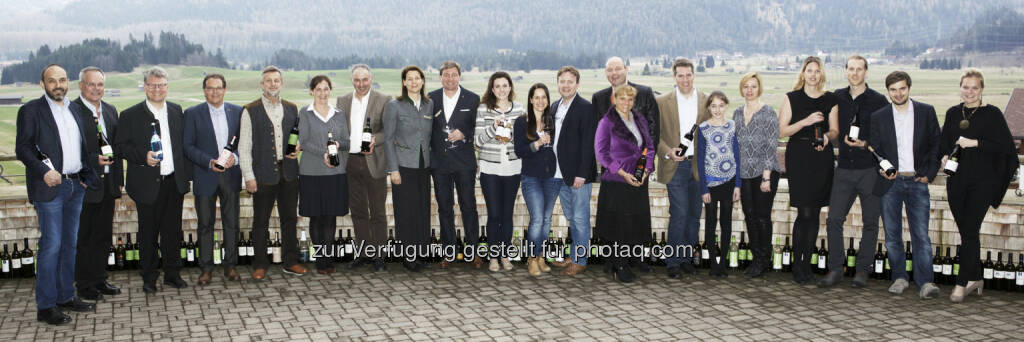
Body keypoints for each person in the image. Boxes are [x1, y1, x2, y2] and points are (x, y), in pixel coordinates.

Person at [16, 64, 100, 325]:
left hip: (75, 187)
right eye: (52, 81)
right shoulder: (31, 110)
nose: (58, 85)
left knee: (69, 245)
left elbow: (82, 147)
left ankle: (65, 296)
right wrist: (43, 171)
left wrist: (86, 177)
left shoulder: (74, 109)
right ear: (43, 84)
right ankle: (46, 305)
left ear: (68, 83)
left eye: (62, 80)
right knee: (51, 246)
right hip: (50, 187)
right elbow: (23, 148)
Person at [939, 68, 1017, 302]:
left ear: (982, 89)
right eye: (966, 87)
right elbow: (944, 143)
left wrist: (976, 143)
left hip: (982, 182)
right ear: (960, 88)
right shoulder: (953, 113)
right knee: (967, 231)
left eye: (974, 87)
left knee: (970, 230)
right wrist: (943, 157)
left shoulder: (992, 114)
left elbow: (1006, 149)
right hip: (957, 181)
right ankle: (976, 277)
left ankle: (961, 284)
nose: (970, 91)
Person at [114, 66, 193, 293]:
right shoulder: (130, 115)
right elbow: (120, 147)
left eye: (161, 85)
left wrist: (185, 177)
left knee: (172, 231)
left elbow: (183, 148)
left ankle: (172, 273)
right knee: (148, 233)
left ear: (167, 87)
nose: (157, 89)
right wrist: (143, 156)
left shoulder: (178, 111)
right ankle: (149, 276)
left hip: (173, 182)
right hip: (146, 184)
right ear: (145, 87)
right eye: (152, 85)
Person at [868, 71, 941, 299]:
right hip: (891, 183)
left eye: (902, 88)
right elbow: (876, 149)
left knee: (921, 235)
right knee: (892, 235)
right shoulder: (879, 116)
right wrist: (883, 170)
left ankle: (926, 283)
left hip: (918, 182)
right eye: (893, 89)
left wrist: (929, 174)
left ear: (909, 88)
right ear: (887, 91)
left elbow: (935, 146)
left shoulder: (926, 112)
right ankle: (899, 277)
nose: (898, 93)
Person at [819, 55, 889, 288]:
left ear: (866, 72)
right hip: (844, 169)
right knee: (833, 219)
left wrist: (866, 142)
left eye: (859, 69)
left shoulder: (879, 100)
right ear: (846, 71)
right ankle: (836, 269)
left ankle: (862, 271)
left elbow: (886, 136)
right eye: (851, 69)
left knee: (871, 222)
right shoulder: (836, 97)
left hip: (869, 169)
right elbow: (826, 125)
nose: (855, 73)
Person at [238, 66, 308, 280]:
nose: (272, 84)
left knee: (289, 220)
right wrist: (248, 176)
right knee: (261, 221)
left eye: (276, 81)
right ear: (262, 84)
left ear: (282, 83)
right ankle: (260, 264)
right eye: (268, 81)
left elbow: (298, 137)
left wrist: (299, 147)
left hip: (288, 173)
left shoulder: (292, 108)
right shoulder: (250, 110)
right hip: (263, 174)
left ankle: (290, 261)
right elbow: (244, 147)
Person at [778, 56, 838, 285]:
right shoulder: (791, 98)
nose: (813, 75)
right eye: (809, 70)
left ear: (821, 74)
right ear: (802, 73)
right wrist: (806, 121)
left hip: (821, 157)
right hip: (799, 157)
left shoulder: (830, 99)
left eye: (817, 71)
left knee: (814, 213)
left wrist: (826, 136)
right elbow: (782, 131)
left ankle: (806, 264)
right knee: (803, 212)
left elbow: (835, 131)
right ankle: (798, 264)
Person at [183, 74, 243, 285]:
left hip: (231, 175)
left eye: (218, 88)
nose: (214, 92)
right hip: (205, 176)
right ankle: (206, 268)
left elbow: (244, 143)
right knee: (205, 225)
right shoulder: (192, 114)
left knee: (232, 223)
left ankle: (231, 266)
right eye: (210, 88)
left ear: (225, 90)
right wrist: (209, 162)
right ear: (204, 90)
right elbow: (188, 147)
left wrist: (234, 159)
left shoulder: (238, 112)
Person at [72, 66, 123, 300]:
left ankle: (100, 279)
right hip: (86, 185)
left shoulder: (111, 111)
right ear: (82, 85)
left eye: (100, 84)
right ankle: (84, 284)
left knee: (103, 235)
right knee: (85, 237)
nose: (96, 89)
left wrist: (119, 182)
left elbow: (118, 149)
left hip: (109, 185)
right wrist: (93, 160)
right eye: (91, 84)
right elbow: (69, 150)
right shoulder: (72, 111)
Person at [594, 85, 655, 283]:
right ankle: (620, 265)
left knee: (633, 224)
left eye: (630, 99)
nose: (626, 103)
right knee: (618, 225)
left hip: (638, 179)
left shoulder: (639, 119)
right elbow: (601, 153)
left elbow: (649, 147)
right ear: (615, 99)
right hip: (617, 180)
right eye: (622, 99)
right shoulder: (607, 121)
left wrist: (646, 171)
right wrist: (622, 172)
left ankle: (615, 261)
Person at [337, 64, 392, 272]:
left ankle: (380, 256)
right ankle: (364, 253)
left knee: (377, 211)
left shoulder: (384, 99)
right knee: (358, 211)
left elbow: (389, 130)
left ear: (372, 79)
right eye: (357, 80)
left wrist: (375, 141)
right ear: (352, 80)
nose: (361, 84)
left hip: (374, 161)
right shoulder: (342, 101)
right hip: (350, 161)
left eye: (365, 80)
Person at [427, 61, 482, 269]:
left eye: (453, 75)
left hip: (465, 162)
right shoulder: (430, 98)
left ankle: (474, 251)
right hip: (439, 164)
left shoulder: (473, 98)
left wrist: (465, 135)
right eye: (446, 75)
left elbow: (479, 129)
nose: (450, 78)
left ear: (460, 76)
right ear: (440, 77)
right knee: (444, 208)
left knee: (469, 207)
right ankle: (449, 253)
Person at [657, 58, 708, 279]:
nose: (685, 79)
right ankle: (673, 261)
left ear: (694, 75)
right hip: (675, 166)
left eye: (688, 75)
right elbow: (654, 135)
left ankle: (686, 257)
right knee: (679, 213)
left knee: (694, 215)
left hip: (698, 165)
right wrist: (668, 151)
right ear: (674, 76)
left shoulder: (706, 101)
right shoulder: (661, 101)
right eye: (680, 75)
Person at [383, 65, 434, 272]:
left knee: (422, 210)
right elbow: (387, 140)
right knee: (406, 212)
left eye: (417, 78)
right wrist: (393, 169)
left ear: (422, 81)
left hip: (424, 166)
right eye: (409, 79)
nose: (414, 82)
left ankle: (422, 254)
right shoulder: (394, 106)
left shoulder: (430, 105)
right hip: (403, 166)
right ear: (404, 82)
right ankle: (408, 256)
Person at [298, 75, 350, 275]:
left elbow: (346, 141)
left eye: (326, 89)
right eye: (318, 89)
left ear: (330, 90)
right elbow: (304, 141)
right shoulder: (305, 113)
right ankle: (320, 260)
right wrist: (324, 153)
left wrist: (337, 145)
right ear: (312, 91)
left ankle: (328, 258)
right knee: (316, 217)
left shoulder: (339, 114)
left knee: (330, 217)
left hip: (335, 172)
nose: (322, 93)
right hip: (312, 172)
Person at [548, 66, 597, 275]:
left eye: (570, 81)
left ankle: (580, 260)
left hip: (577, 176)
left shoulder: (585, 108)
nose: (565, 85)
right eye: (562, 81)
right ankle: (575, 255)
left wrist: (582, 173)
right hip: (558, 174)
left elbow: (588, 143)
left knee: (580, 218)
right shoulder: (554, 106)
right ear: (558, 83)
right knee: (572, 216)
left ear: (577, 84)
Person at [474, 71, 524, 272]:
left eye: (505, 85)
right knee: (494, 214)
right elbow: (477, 142)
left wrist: (511, 133)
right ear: (492, 89)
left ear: (510, 87)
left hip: (513, 168)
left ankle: (505, 255)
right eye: (497, 86)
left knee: (507, 214)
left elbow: (521, 141)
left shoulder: (519, 109)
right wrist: (492, 128)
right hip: (490, 168)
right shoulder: (483, 109)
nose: (502, 89)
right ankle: (493, 257)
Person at [732, 72, 780, 278]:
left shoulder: (768, 112)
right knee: (749, 216)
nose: (749, 90)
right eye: (746, 86)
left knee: (762, 216)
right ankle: (756, 257)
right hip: (744, 173)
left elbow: (772, 145)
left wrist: (767, 176)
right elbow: (734, 146)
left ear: (759, 89)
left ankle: (763, 260)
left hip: (764, 172)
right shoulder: (736, 113)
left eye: (753, 86)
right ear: (741, 89)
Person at [515, 83, 559, 277]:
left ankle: (541, 256)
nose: (540, 101)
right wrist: (538, 143)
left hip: (551, 177)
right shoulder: (522, 122)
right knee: (537, 219)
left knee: (547, 219)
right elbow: (519, 151)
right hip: (531, 177)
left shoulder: (553, 121)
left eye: (544, 97)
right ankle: (532, 258)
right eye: (537, 97)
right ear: (531, 99)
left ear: (548, 100)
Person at [697, 91, 741, 277]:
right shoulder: (703, 128)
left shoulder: (732, 126)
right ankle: (713, 264)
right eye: (713, 106)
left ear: (726, 106)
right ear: (708, 107)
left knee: (726, 222)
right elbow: (700, 159)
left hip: (729, 181)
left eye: (721, 106)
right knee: (711, 222)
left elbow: (737, 155)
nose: (717, 109)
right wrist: (703, 187)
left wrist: (738, 184)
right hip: (711, 183)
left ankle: (723, 263)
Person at [591, 57, 660, 164]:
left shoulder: (644, 93)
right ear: (605, 72)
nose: (614, 73)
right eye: (610, 70)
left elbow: (653, 130)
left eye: (618, 69)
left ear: (626, 69)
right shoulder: (599, 98)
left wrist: (645, 161)